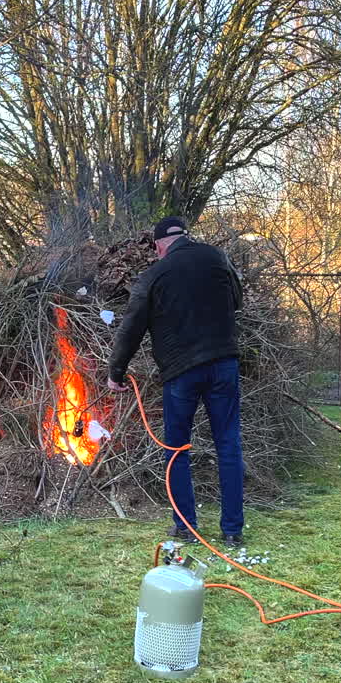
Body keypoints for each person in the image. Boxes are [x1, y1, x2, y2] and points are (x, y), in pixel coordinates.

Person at [106, 216, 245, 546]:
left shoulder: (154, 275)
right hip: (223, 363)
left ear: (159, 246)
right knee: (228, 444)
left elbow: (131, 328)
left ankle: (185, 527)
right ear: (186, 236)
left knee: (177, 448)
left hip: (182, 372)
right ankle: (232, 531)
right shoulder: (217, 257)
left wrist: (116, 373)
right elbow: (237, 300)